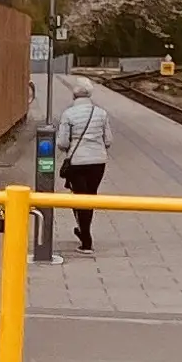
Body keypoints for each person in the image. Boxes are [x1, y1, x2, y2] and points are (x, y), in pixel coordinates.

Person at [57, 82, 114, 249]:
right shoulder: (101, 113)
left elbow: (62, 142)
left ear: (74, 96)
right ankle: (84, 231)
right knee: (90, 196)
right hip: (98, 162)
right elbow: (108, 140)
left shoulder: (68, 114)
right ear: (89, 95)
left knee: (79, 197)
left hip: (78, 162)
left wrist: (71, 148)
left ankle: (86, 237)